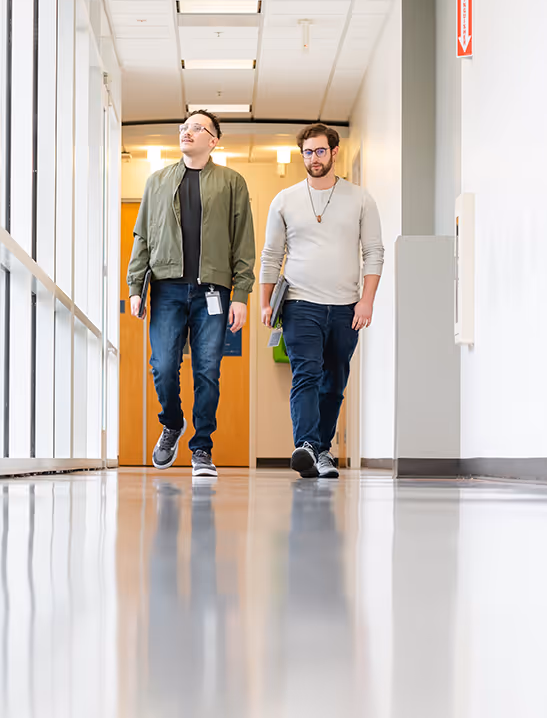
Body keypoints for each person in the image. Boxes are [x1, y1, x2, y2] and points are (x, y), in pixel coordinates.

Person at [127, 110, 256, 477]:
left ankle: (202, 448)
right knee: (163, 367)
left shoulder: (232, 182)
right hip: (166, 289)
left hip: (213, 292)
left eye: (197, 128)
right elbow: (143, 237)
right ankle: (172, 423)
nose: (187, 132)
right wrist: (136, 286)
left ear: (214, 140)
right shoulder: (158, 181)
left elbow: (243, 242)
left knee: (207, 371)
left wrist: (241, 294)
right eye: (184, 126)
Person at [259, 123, 385, 479]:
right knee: (306, 375)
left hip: (346, 307)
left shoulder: (361, 199)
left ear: (334, 151)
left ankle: (322, 449)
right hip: (300, 304)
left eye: (319, 151)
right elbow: (271, 255)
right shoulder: (284, 200)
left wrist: (367, 301)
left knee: (334, 382)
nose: (313, 158)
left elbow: (374, 252)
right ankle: (308, 447)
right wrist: (267, 302)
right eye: (307, 152)